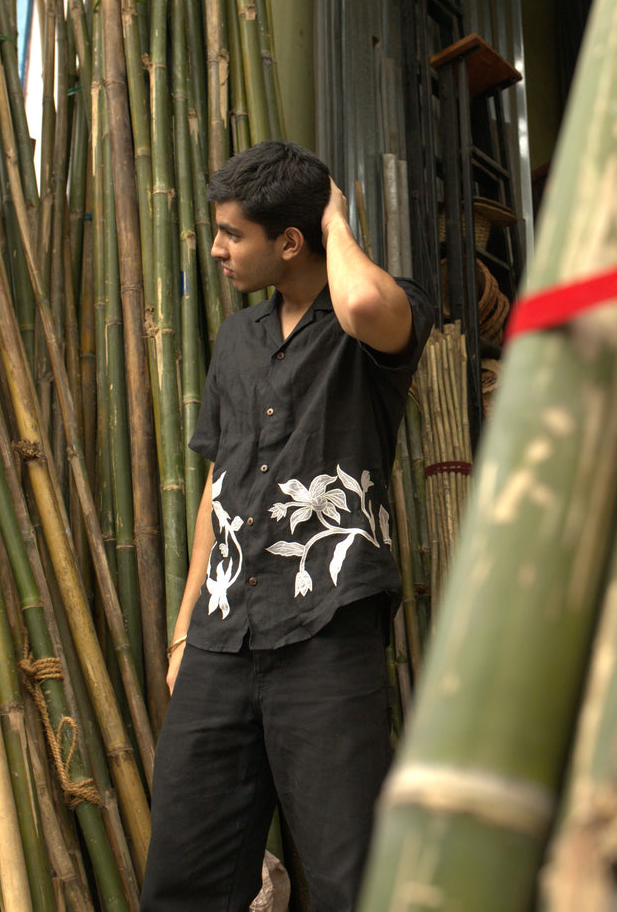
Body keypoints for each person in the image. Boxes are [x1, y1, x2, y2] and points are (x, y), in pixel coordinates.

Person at [141, 141, 434, 912]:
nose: (216, 248)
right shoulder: (237, 339)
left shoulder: (373, 314)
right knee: (183, 868)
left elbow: (367, 308)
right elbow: (219, 484)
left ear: (291, 240)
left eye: (232, 232)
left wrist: (338, 220)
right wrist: (183, 630)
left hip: (326, 626)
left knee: (348, 874)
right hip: (221, 637)